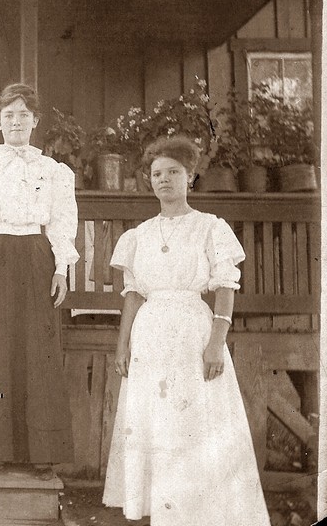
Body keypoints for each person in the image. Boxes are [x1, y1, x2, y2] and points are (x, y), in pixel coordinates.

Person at [102, 136, 270, 525]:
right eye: (157, 174)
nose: (164, 180)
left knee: (192, 418)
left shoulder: (210, 228)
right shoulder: (139, 236)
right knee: (155, 418)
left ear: (190, 178)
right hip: (150, 335)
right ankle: (161, 508)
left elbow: (226, 287)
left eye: (173, 173)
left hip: (193, 329)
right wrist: (122, 346)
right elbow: (132, 297)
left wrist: (216, 343)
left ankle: (198, 511)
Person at [0, 83, 77, 480]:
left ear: (35, 121)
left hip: (38, 255)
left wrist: (60, 268)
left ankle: (41, 454)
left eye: (24, 115)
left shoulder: (53, 172)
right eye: (9, 115)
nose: (17, 122)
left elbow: (62, 221)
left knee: (38, 350)